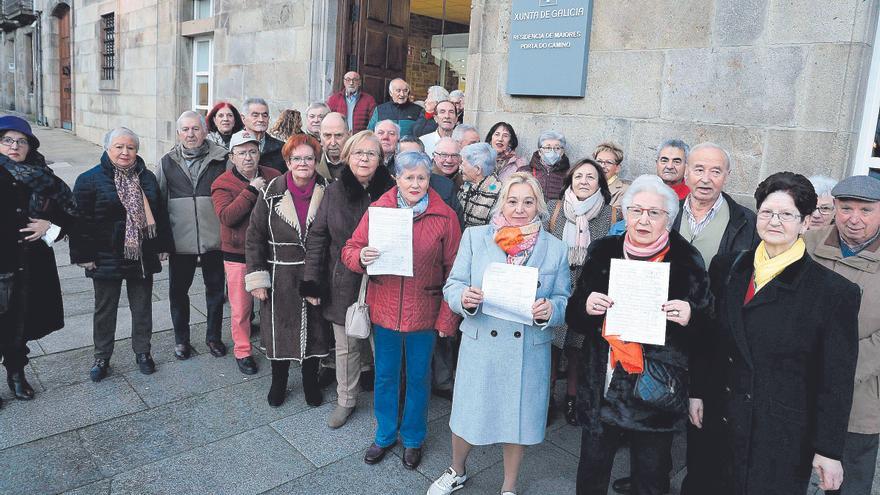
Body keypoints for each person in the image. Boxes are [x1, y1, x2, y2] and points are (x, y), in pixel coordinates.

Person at [692, 172, 860, 494]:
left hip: (779, 433)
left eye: (787, 214)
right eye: (767, 212)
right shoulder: (727, 267)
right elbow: (708, 340)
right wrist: (697, 391)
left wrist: (828, 450)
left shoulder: (833, 292)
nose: (775, 221)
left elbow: (835, 379)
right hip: (722, 417)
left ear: (806, 222)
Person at [566, 175, 710, 495]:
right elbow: (574, 314)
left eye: (654, 213)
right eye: (636, 210)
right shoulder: (603, 250)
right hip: (602, 381)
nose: (643, 219)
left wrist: (691, 316)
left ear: (669, 219)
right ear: (626, 213)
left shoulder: (685, 260)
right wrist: (586, 305)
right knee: (592, 470)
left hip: (654, 389)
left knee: (651, 475)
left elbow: (707, 330)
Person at [429, 172, 570, 495]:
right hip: (482, 342)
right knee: (468, 412)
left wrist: (551, 309)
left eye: (528, 201)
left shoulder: (556, 248)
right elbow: (454, 284)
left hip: (527, 348)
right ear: (502, 202)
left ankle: (508, 486)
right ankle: (456, 469)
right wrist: (463, 298)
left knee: (516, 421)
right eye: (512, 200)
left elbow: (563, 298)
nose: (519, 208)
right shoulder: (476, 237)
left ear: (540, 206)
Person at [341, 151, 462, 469]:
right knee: (385, 376)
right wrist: (361, 257)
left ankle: (412, 438)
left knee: (420, 378)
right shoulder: (379, 209)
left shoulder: (444, 216)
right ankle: (384, 435)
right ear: (396, 178)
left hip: (425, 311)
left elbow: (456, 271)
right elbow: (350, 249)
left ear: (429, 179)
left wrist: (448, 318)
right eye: (408, 177)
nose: (416, 183)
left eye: (422, 177)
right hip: (385, 310)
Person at [301, 130, 396, 429]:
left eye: (371, 153)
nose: (364, 158)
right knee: (346, 346)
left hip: (386, 280)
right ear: (347, 157)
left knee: (384, 347)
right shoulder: (333, 192)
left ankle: (388, 403)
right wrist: (311, 281)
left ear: (380, 159)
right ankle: (346, 400)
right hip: (344, 279)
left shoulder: (393, 191)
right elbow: (317, 238)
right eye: (358, 153)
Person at [71, 127, 173, 382]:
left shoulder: (146, 177)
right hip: (104, 255)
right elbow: (79, 221)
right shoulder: (89, 179)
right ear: (108, 148)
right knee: (105, 310)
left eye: (131, 147)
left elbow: (159, 214)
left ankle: (143, 352)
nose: (125, 152)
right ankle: (102, 356)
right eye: (119, 146)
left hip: (141, 255)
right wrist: (83, 254)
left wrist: (161, 245)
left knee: (142, 308)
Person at [805, 175, 880, 495]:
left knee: (849, 482)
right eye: (846, 208)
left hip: (860, 394)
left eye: (866, 210)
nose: (854, 218)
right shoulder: (808, 243)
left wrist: (835, 369)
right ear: (833, 206)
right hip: (801, 384)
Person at [245, 133, 331, 408]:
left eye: (308, 158)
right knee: (278, 329)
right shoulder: (270, 193)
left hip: (315, 273)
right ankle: (278, 382)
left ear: (316, 161)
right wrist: (258, 278)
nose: (303, 163)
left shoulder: (329, 190)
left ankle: (310, 381)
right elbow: (254, 237)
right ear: (288, 161)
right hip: (280, 274)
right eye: (297, 158)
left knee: (317, 329)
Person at [0, 116, 77, 404]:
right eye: (7, 140)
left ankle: (17, 374)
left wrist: (50, 226)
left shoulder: (43, 175)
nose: (14, 146)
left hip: (32, 264)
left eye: (21, 141)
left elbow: (69, 212)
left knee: (21, 320)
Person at [544, 158, 614, 426]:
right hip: (555, 288)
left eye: (591, 177)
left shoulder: (611, 214)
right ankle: (547, 398)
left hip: (588, 292)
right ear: (570, 180)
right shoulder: (554, 208)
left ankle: (572, 398)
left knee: (578, 349)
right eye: (579, 176)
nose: (584, 181)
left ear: (600, 183)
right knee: (550, 347)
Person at [156, 111, 229, 361]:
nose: (190, 134)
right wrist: (163, 242)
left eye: (195, 129)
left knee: (216, 291)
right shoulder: (166, 162)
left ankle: (213, 337)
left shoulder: (222, 158)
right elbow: (159, 203)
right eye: (185, 130)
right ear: (178, 134)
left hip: (214, 239)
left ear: (205, 131)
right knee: (178, 291)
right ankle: (181, 340)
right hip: (181, 241)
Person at [210, 130, 281, 375]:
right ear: (232, 156)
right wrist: (251, 190)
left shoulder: (274, 175)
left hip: (269, 251)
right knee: (241, 307)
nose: (248, 157)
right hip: (237, 253)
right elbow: (227, 217)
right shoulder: (222, 183)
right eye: (242, 153)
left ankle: (274, 344)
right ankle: (242, 350)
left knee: (271, 302)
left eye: (252, 151)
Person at [519, 130, 570, 202]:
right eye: (548, 148)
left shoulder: (569, 174)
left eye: (557, 148)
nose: (552, 152)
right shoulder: (524, 171)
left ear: (562, 152)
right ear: (540, 151)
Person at [458, 142, 500, 229]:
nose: (460, 168)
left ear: (477, 169)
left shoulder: (497, 194)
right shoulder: (467, 184)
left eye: (463, 164)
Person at [242, 97, 285, 172]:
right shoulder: (231, 147)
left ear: (269, 118)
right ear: (243, 118)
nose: (261, 120)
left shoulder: (282, 149)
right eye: (255, 115)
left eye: (264, 116)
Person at [593, 141, 629, 215]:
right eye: (599, 161)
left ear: (617, 168)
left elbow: (611, 218)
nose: (602, 166)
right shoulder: (585, 184)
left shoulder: (625, 191)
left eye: (608, 162)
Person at [316, 112, 351, 182]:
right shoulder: (311, 163)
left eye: (338, 135)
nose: (333, 143)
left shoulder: (360, 163)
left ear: (349, 135)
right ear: (320, 136)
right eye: (327, 135)